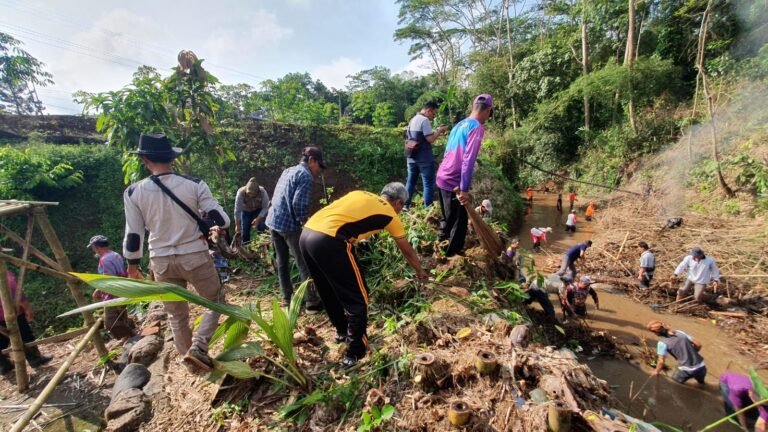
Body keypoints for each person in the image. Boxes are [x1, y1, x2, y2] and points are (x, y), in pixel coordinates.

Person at [123, 133, 230, 372]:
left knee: (176, 315)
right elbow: (222, 220)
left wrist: (132, 266)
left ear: (144, 160)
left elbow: (133, 234)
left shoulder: (133, 192)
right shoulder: (194, 184)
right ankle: (199, 347)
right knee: (216, 300)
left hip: (160, 261)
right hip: (194, 254)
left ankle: (191, 365)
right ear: (172, 158)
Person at [299, 183, 428, 368]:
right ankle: (355, 351)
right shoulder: (390, 214)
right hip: (330, 239)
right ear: (398, 202)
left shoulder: (360, 192)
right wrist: (420, 271)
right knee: (358, 297)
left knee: (328, 291)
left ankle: (343, 332)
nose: (401, 210)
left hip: (307, 233)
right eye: (402, 206)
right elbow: (407, 250)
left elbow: (345, 217)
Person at [266, 147, 324, 311]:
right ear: (311, 160)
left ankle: (287, 299)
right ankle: (311, 302)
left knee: (282, 263)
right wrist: (305, 224)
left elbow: (277, 195)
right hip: (288, 225)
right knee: (304, 262)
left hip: (274, 221)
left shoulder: (288, 171)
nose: (318, 170)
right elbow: (298, 204)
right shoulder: (306, 176)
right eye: (318, 165)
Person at [436, 94, 493, 257]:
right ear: (488, 110)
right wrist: (464, 189)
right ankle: (451, 256)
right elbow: (468, 160)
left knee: (448, 216)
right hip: (454, 179)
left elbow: (447, 151)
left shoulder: (459, 124)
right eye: (490, 114)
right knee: (459, 222)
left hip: (442, 175)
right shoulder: (476, 127)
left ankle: (440, 245)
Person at [0, 261, 53, 374]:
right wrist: (28, 309)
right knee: (26, 337)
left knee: (0, 342)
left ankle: (4, 365)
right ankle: (35, 359)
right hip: (12, 314)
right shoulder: (5, 275)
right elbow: (17, 294)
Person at [87, 235, 135, 340]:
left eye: (93, 247)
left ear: (96, 247)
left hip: (112, 293)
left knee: (110, 322)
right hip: (123, 288)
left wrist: (98, 290)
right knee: (121, 315)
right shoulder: (116, 255)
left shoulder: (104, 260)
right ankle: (128, 337)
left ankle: (131, 336)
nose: (93, 250)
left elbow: (108, 279)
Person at [404, 102, 448, 209]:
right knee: (428, 184)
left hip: (411, 158)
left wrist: (435, 132)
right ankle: (427, 208)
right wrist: (439, 131)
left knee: (410, 181)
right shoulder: (424, 120)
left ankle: (405, 205)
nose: (434, 116)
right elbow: (430, 139)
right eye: (434, 113)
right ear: (428, 110)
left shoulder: (413, 119)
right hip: (424, 159)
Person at [646, 320, 706, 384]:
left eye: (653, 332)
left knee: (675, 384)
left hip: (686, 370)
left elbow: (661, 361)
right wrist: (692, 353)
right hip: (701, 366)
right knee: (701, 384)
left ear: (656, 332)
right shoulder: (680, 332)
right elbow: (698, 344)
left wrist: (656, 371)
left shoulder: (662, 343)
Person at [234, 177, 270, 245]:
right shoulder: (240, 192)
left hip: (259, 210)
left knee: (262, 227)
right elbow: (238, 210)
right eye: (249, 193)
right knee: (245, 230)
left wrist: (258, 219)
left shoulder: (263, 192)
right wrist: (237, 224)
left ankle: (263, 247)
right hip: (246, 211)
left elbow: (266, 207)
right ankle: (246, 248)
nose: (250, 195)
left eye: (253, 194)